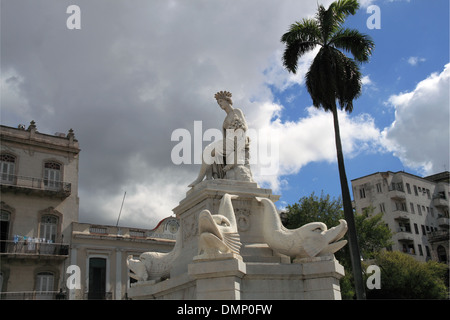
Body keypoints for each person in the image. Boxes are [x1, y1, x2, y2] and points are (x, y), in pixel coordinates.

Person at [188, 91, 249, 187]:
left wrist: (237, 129)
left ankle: (199, 179)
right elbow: (225, 136)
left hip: (236, 140)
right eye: (218, 103)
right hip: (228, 141)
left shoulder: (236, 111)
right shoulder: (225, 119)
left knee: (208, 152)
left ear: (227, 101)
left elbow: (245, 126)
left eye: (221, 101)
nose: (220, 104)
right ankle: (208, 178)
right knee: (206, 152)